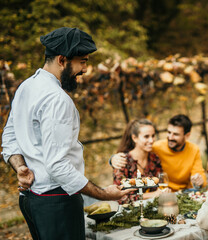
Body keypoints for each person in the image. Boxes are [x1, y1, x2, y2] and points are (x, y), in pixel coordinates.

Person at [1, 27, 134, 240]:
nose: (85, 69)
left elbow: (9, 137)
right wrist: (104, 194)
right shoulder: (57, 99)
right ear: (62, 60)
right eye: (82, 62)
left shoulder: (27, 86)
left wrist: (20, 167)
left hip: (29, 199)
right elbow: (57, 166)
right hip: (57, 203)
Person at [111, 114, 207, 191]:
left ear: (187, 136)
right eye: (169, 132)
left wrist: (199, 181)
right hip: (163, 193)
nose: (170, 137)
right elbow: (135, 150)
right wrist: (112, 159)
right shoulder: (156, 147)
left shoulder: (194, 150)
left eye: (176, 134)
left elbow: (199, 174)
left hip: (184, 192)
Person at [113, 119, 169, 203]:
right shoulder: (122, 161)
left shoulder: (154, 158)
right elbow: (120, 197)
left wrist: (163, 192)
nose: (151, 140)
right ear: (135, 138)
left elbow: (160, 185)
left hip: (152, 207)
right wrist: (152, 195)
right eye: (146, 136)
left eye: (153, 136)